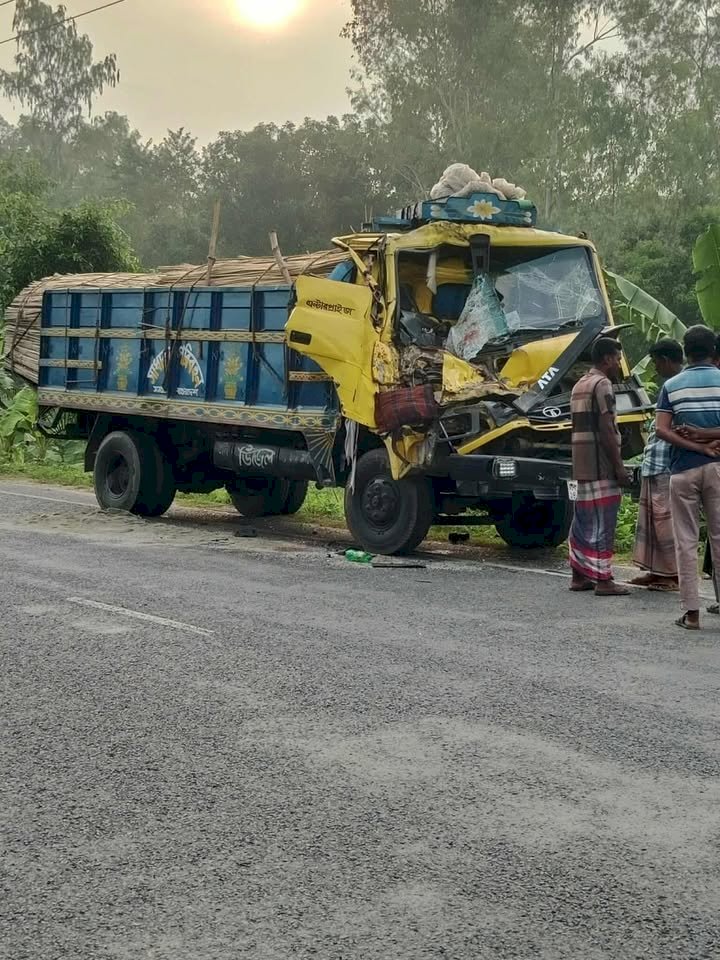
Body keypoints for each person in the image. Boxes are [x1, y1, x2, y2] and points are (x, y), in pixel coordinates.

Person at [656, 325, 720, 629]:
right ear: (713, 351)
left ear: (685, 350)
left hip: (683, 470)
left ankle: (692, 613)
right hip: (718, 468)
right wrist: (709, 443)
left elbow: (661, 429)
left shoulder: (672, 385)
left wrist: (696, 444)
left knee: (686, 540)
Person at [569, 337, 633, 596]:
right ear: (607, 359)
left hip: (580, 465)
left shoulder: (579, 384)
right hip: (600, 465)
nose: (618, 364)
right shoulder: (603, 384)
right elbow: (607, 428)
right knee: (603, 521)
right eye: (617, 359)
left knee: (582, 520)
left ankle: (578, 575)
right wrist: (618, 467)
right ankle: (604, 580)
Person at [630, 338, 684, 591]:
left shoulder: (677, 386)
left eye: (656, 362)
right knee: (651, 521)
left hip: (666, 466)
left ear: (664, 360)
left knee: (665, 522)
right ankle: (656, 570)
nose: (655, 368)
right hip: (655, 464)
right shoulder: (668, 386)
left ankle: (672, 575)